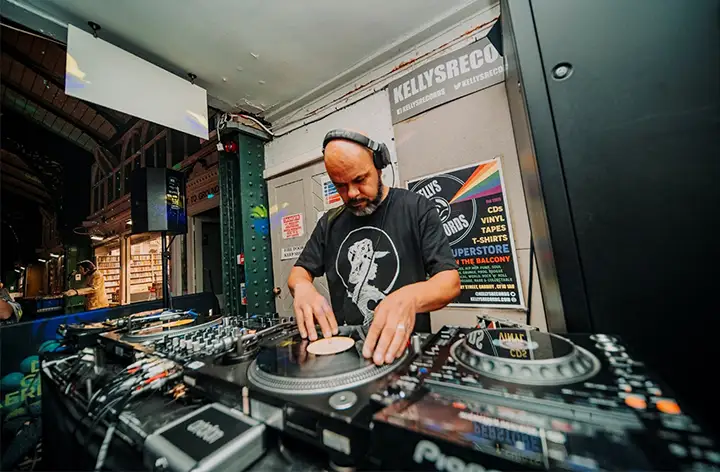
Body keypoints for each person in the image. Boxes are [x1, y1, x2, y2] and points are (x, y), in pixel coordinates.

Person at [288, 129, 460, 366]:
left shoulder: (417, 208)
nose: (352, 193)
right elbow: (299, 273)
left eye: (360, 180)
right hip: (347, 356)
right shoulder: (329, 223)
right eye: (340, 186)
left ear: (379, 165)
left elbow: (449, 282)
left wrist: (409, 298)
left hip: (404, 353)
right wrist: (302, 288)